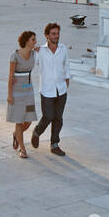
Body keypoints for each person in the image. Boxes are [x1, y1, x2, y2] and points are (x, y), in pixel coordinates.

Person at [31, 22, 70, 156]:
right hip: (47, 90)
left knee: (58, 118)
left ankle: (54, 145)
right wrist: (31, 49)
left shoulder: (63, 49)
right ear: (47, 36)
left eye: (57, 33)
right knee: (48, 116)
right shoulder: (40, 51)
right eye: (53, 34)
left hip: (61, 90)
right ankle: (37, 132)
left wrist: (66, 83)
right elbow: (31, 63)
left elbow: (66, 67)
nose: (56, 36)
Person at [7, 30, 38, 158]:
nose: (35, 42)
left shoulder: (34, 53)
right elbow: (10, 75)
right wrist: (9, 95)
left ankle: (16, 134)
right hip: (17, 93)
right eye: (33, 40)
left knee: (29, 120)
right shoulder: (14, 56)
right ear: (26, 41)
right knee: (19, 121)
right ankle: (23, 149)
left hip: (29, 92)